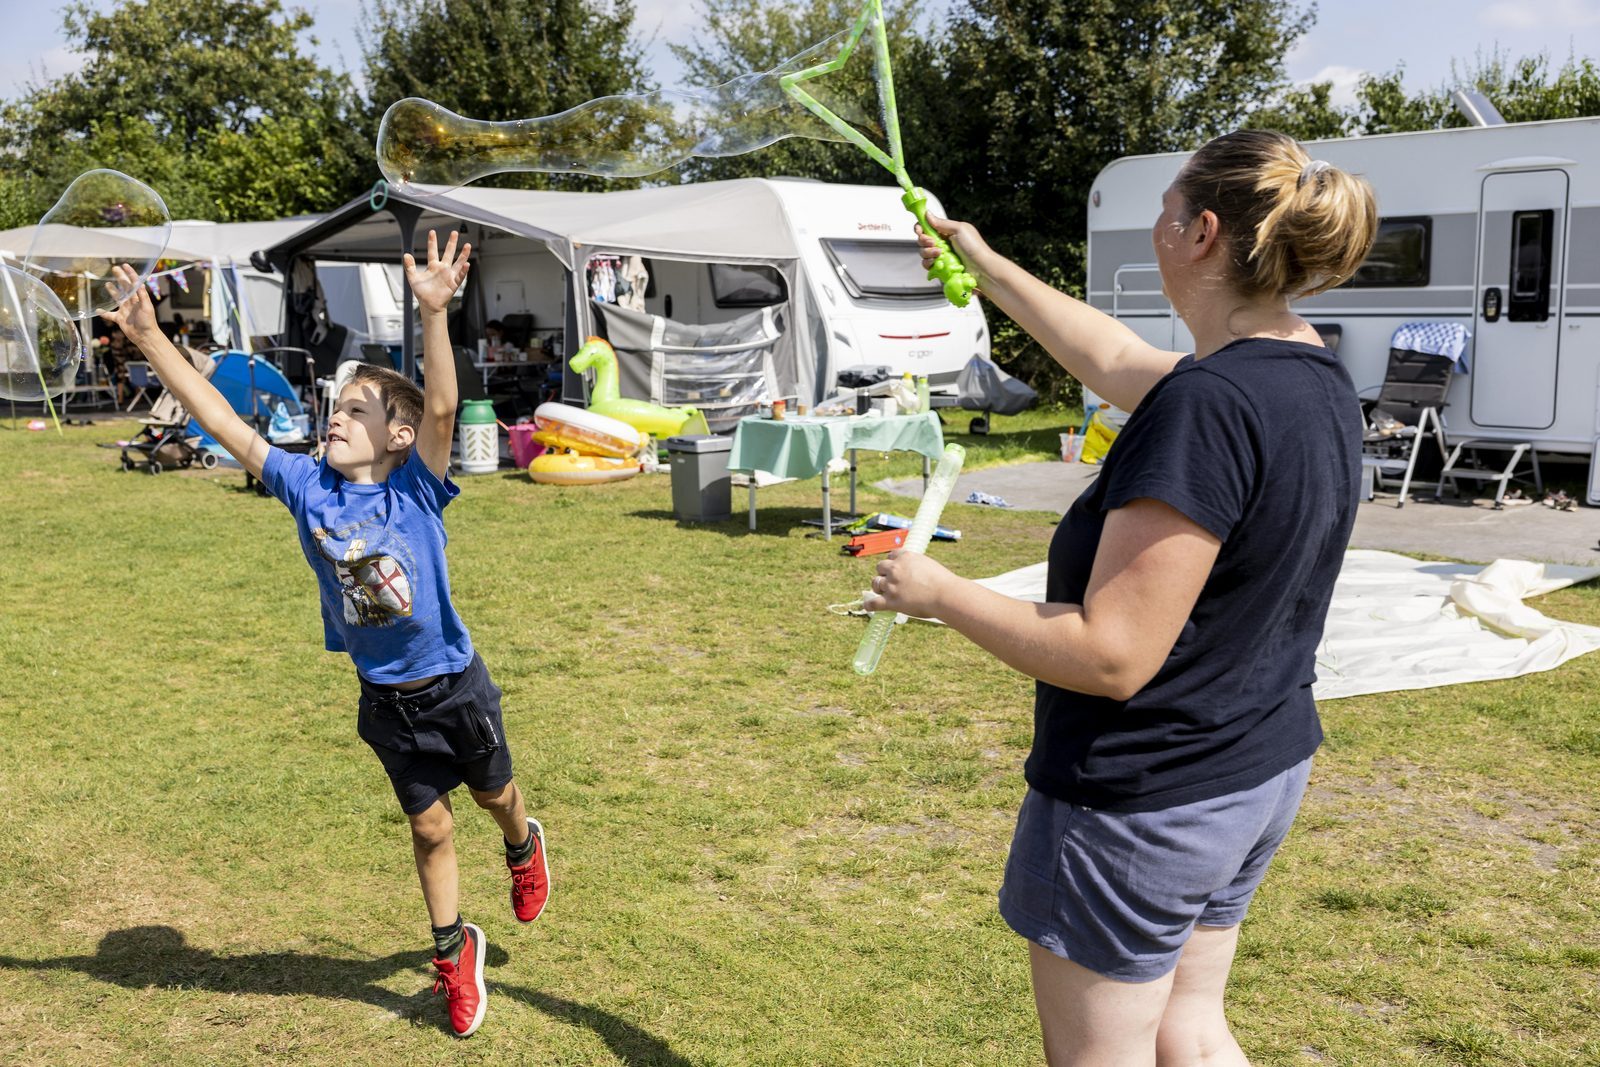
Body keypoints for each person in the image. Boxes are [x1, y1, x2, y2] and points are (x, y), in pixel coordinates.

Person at [867, 130, 1377, 1066]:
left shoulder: (1208, 407)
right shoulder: (1307, 375)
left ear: (1201, 231)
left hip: (1149, 801)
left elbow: (1112, 653)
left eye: (1165, 208)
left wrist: (938, 592)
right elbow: (1111, 357)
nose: (1153, 226)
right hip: (1251, 773)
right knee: (1190, 1026)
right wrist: (983, 263)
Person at [105, 231, 552, 1040]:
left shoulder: (418, 490)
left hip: (455, 686)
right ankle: (454, 954)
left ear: (398, 438)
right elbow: (218, 417)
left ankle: (524, 845)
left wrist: (436, 316)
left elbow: (444, 405)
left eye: (357, 410)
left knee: (492, 796)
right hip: (385, 701)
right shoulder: (305, 487)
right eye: (335, 407)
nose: (336, 417)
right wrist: (147, 336)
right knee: (429, 826)